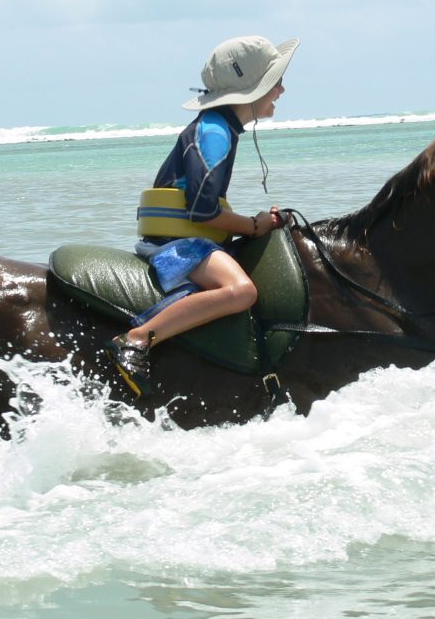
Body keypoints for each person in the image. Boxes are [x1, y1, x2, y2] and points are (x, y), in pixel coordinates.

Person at [107, 35, 300, 397]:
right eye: (274, 83)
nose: (282, 90)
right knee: (241, 292)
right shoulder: (213, 132)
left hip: (185, 238)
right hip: (178, 245)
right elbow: (203, 210)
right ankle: (135, 340)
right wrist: (253, 226)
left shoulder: (219, 127)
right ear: (251, 89)